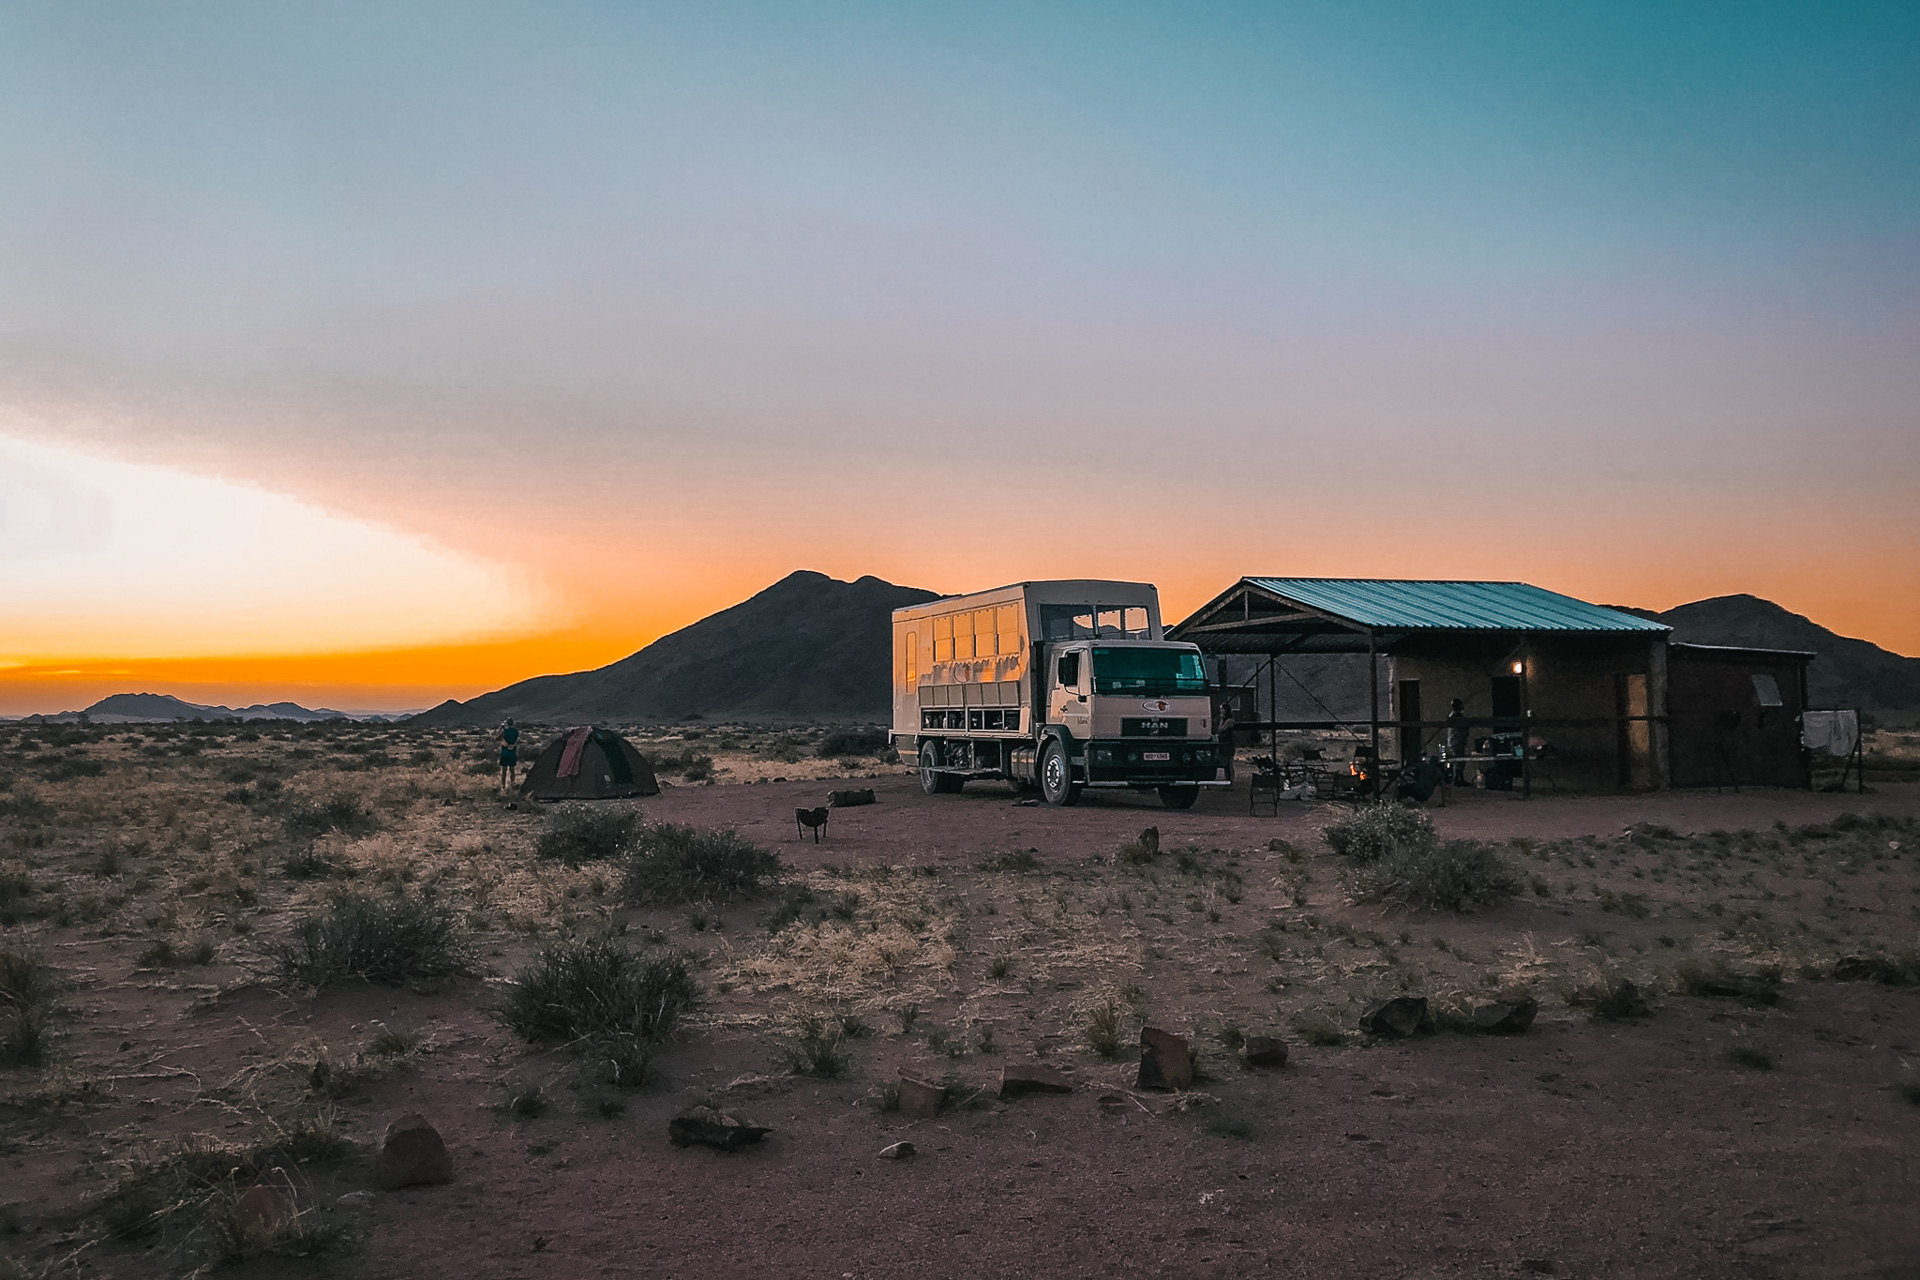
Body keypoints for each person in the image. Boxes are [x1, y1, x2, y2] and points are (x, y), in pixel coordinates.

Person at [1445, 699, 1470, 785]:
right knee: (1458, 760)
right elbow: (1464, 726)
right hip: (1456, 741)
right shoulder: (1456, 716)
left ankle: (1459, 778)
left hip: (1458, 740)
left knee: (1460, 761)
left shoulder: (1454, 716)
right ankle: (1457, 779)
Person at [497, 717, 520, 791]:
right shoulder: (516, 731)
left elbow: (496, 738)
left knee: (504, 771)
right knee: (512, 770)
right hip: (512, 753)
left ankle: (503, 787)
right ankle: (512, 785)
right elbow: (516, 740)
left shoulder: (504, 731)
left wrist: (500, 728)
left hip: (505, 753)